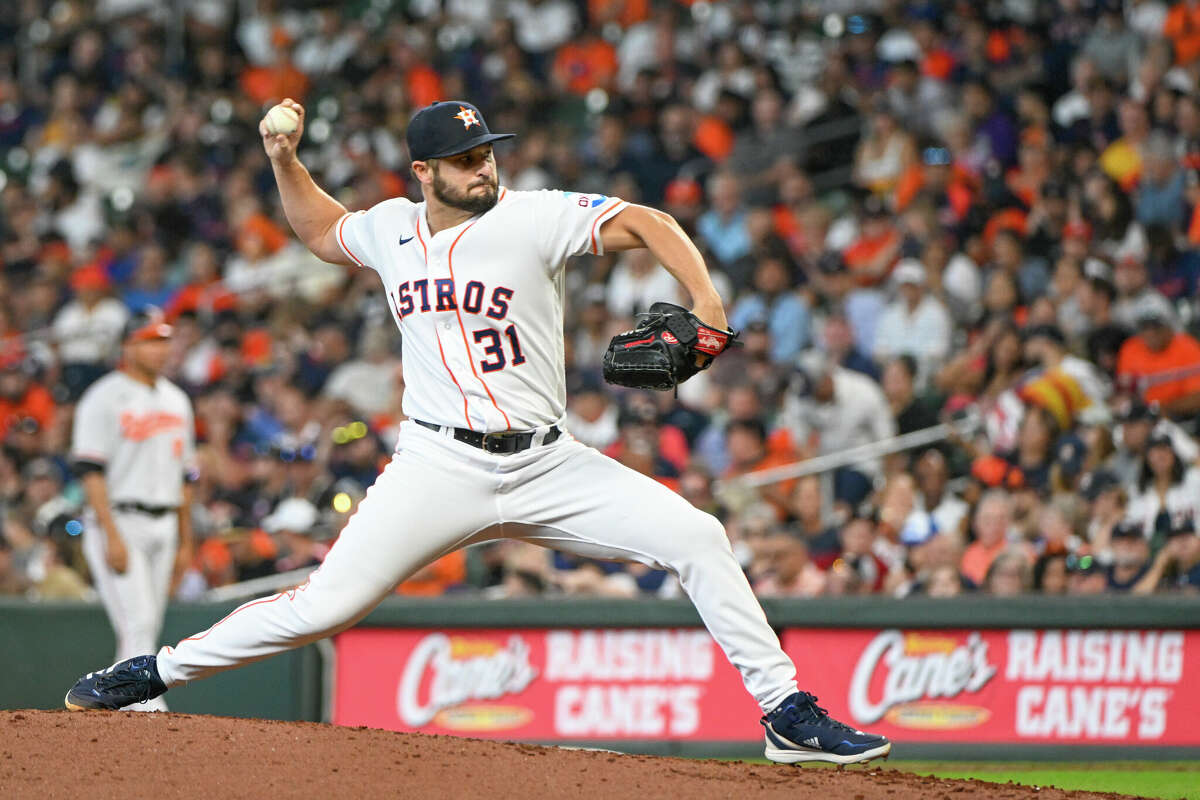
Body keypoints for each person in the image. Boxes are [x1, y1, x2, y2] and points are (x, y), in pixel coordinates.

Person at [65, 99, 890, 765]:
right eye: (463, 159)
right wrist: (285, 162)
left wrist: (708, 307)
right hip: (437, 463)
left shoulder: (531, 217)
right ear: (423, 171)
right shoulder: (391, 228)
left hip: (549, 461)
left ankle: (785, 712)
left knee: (699, 535)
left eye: (486, 152)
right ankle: (152, 670)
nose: (482, 166)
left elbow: (646, 221)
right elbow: (321, 230)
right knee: (328, 604)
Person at [69, 310, 196, 712]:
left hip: (165, 521)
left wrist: (185, 542)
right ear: (128, 346)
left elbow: (186, 478)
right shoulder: (103, 396)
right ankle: (143, 708)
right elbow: (91, 473)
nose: (161, 348)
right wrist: (110, 534)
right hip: (120, 519)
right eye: (150, 340)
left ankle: (119, 705)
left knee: (147, 624)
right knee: (137, 623)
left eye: (164, 339)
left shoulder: (177, 399)